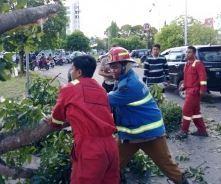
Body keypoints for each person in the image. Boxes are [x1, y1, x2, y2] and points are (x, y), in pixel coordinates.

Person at [106, 47, 188, 184]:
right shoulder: (126, 78)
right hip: (130, 134)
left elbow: (103, 100)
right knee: (113, 164)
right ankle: (118, 180)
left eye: (115, 67)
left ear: (126, 66)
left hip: (150, 135)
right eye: (111, 67)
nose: (112, 70)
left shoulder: (129, 86)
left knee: (167, 166)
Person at [44, 55, 120, 184]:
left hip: (90, 149)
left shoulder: (69, 88)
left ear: (79, 72)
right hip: (111, 146)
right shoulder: (101, 89)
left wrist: (52, 121)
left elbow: (57, 120)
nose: (70, 71)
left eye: (72, 68)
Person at [175, 46, 208, 138]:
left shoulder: (198, 64)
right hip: (189, 90)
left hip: (194, 91)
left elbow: (203, 78)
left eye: (189, 52)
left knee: (186, 110)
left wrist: (203, 89)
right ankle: (202, 131)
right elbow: (187, 78)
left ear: (194, 54)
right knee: (195, 112)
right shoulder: (187, 64)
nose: (187, 54)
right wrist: (184, 85)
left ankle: (184, 131)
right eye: (186, 52)